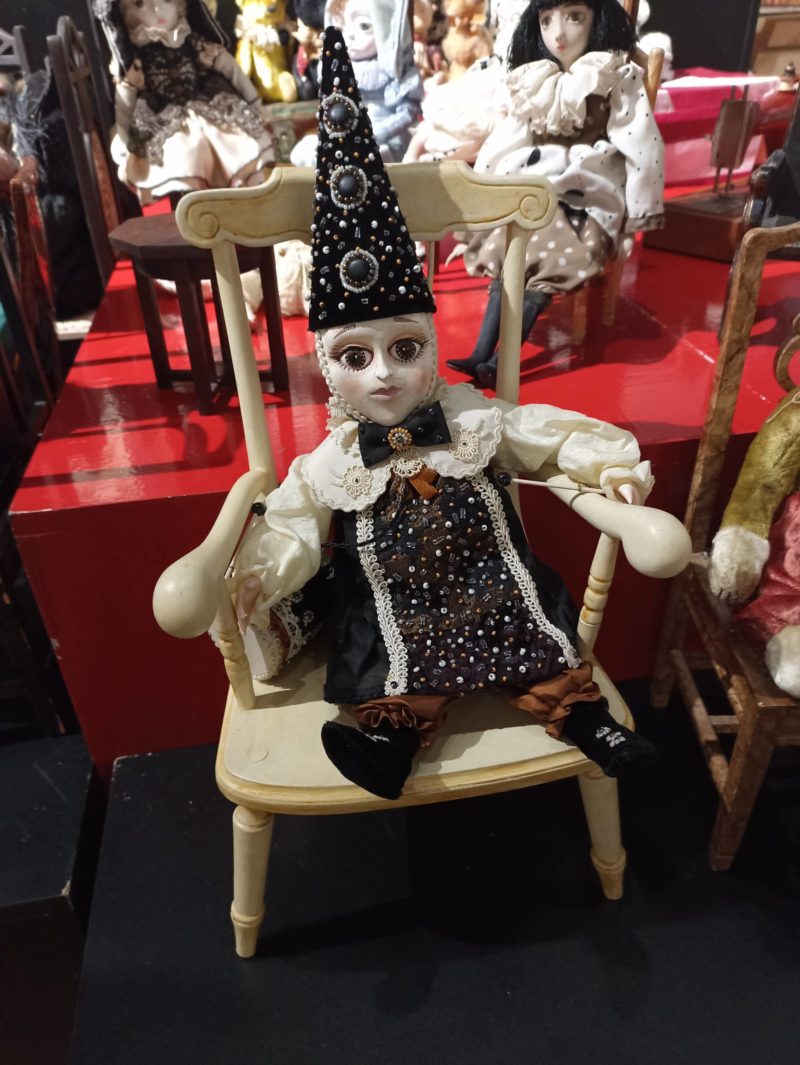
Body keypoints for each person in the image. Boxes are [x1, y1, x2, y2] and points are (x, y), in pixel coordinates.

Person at [231, 26, 657, 801]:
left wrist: (607, 464)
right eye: (355, 357)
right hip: (398, 600)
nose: (385, 374)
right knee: (388, 649)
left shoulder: (468, 420)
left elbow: (539, 434)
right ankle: (391, 740)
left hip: (488, 577)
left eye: (405, 348)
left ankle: (588, 721)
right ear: (328, 367)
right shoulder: (338, 457)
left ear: (430, 343)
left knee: (534, 622)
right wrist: (263, 573)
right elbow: (292, 518)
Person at [447, 0, 664, 388]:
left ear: (599, 20)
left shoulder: (614, 74)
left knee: (549, 252)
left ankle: (503, 359)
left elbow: (641, 143)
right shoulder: (535, 78)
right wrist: (480, 193)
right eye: (547, 21)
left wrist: (637, 215)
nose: (559, 34)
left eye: (575, 17)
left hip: (586, 189)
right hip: (533, 184)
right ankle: (481, 352)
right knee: (506, 244)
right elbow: (507, 140)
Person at [94, 0, 275, 200]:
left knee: (232, 137)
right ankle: (196, 200)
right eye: (140, 4)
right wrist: (123, 137)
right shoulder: (136, 60)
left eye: (167, 0)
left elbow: (230, 68)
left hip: (206, 104)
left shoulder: (193, 42)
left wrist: (255, 104)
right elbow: (125, 98)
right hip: (163, 116)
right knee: (187, 149)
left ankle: (240, 193)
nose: (157, 10)